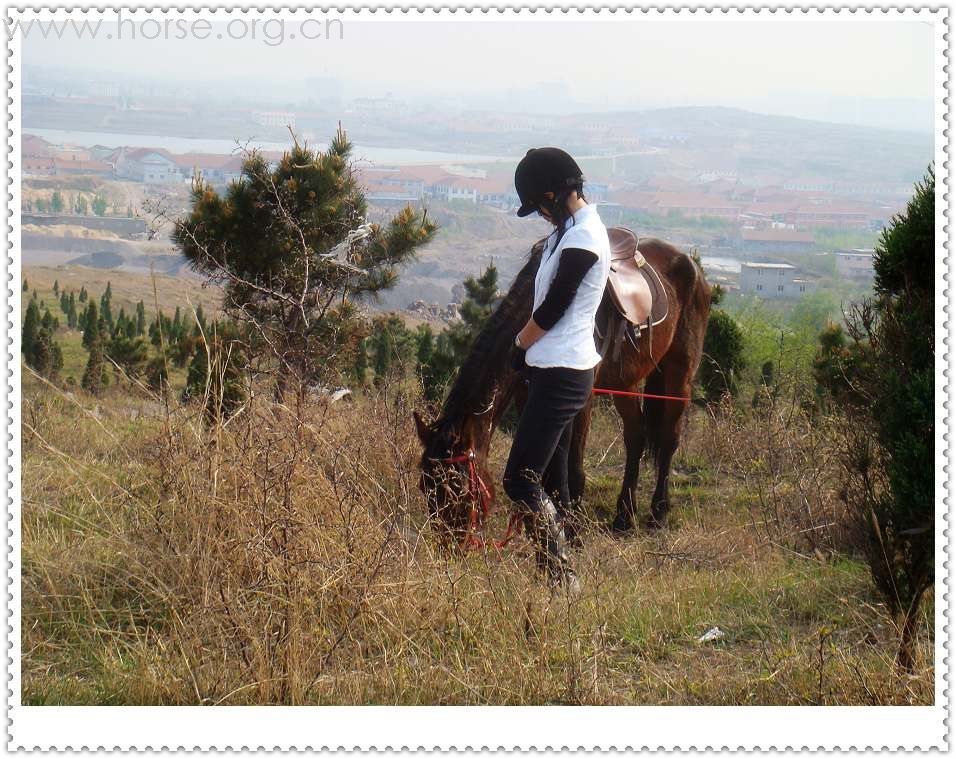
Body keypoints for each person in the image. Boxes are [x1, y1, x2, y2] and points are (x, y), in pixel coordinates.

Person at [504, 147, 611, 592]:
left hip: (564, 371)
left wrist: (519, 344)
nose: (542, 216)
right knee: (553, 476)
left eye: (540, 206)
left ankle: (561, 574)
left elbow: (554, 307)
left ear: (553, 194)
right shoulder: (567, 232)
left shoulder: (584, 237)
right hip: (553, 368)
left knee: (518, 479)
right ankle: (560, 572)